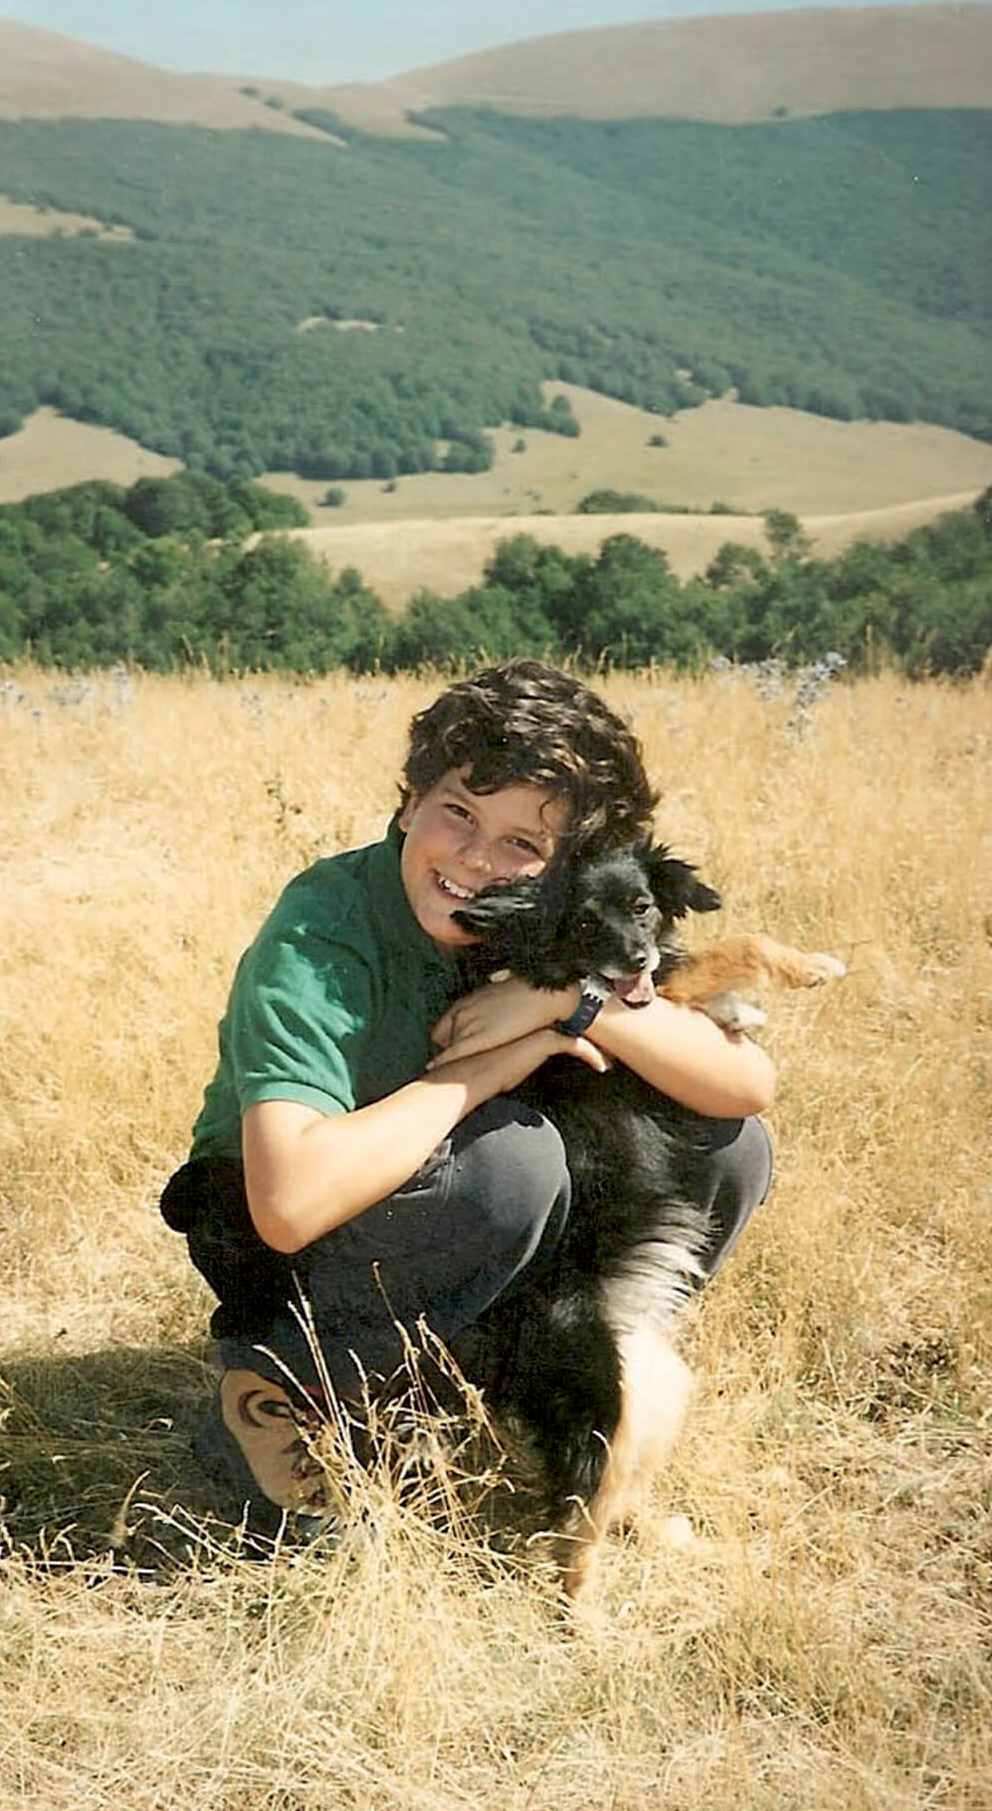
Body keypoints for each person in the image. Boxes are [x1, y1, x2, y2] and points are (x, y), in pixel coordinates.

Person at [160, 659, 774, 1539]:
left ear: (569, 869)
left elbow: (747, 1089)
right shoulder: (324, 931)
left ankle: (547, 1409)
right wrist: (485, 1067)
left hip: (447, 1218)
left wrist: (569, 1002)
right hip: (281, 1238)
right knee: (515, 1163)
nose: (479, 860)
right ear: (409, 802)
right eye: (458, 812)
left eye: (524, 844)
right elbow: (288, 1205)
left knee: (726, 1146)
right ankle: (290, 1397)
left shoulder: (567, 931)